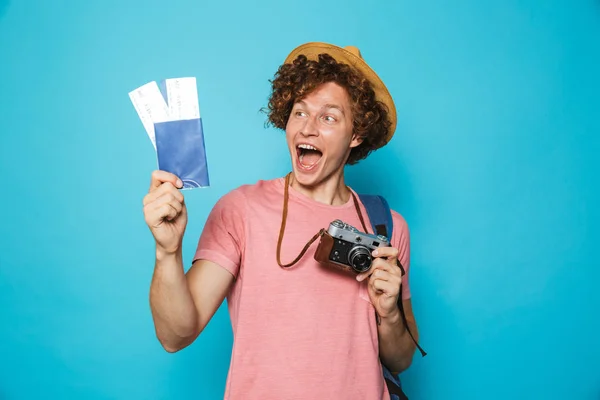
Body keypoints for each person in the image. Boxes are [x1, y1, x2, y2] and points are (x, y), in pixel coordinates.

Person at [143, 42, 420, 399]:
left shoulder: (387, 226)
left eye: (329, 117)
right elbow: (174, 334)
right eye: (300, 112)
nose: (308, 129)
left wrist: (390, 314)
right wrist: (168, 250)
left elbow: (401, 359)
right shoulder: (241, 209)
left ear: (356, 135)